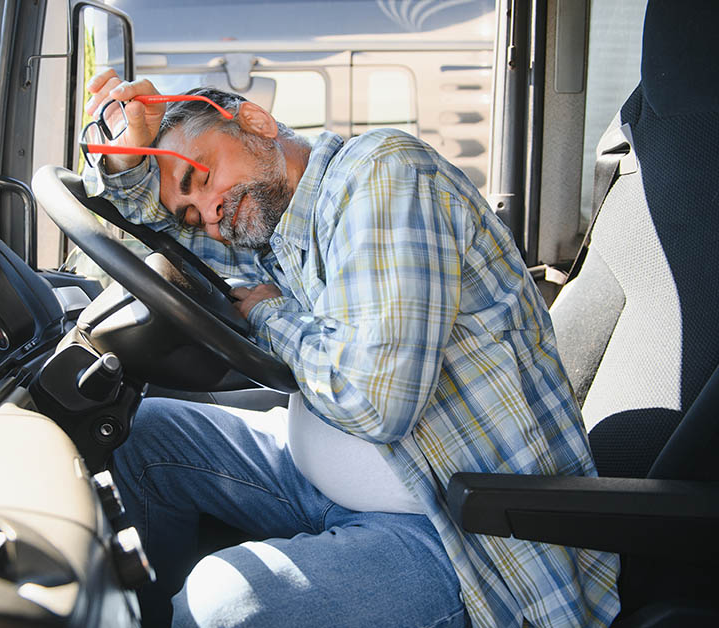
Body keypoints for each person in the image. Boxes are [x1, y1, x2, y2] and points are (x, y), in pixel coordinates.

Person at [82, 70, 621, 628]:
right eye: (194, 213)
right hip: (322, 478)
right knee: (139, 433)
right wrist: (125, 159)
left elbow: (375, 401)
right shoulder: (271, 227)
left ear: (256, 122)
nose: (210, 215)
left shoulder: (384, 174)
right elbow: (158, 227)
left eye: (203, 176)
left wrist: (270, 316)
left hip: (454, 526)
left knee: (223, 604)